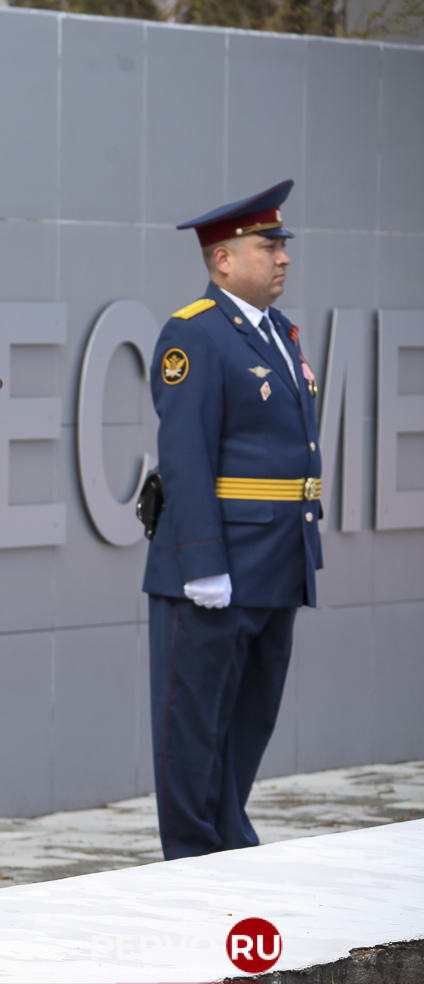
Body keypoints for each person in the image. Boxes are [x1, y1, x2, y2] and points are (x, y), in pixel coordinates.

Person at [143, 180, 320, 861]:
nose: (282, 257)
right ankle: (191, 849)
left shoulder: (278, 333)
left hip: (277, 558)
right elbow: (185, 455)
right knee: (194, 720)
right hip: (217, 564)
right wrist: (200, 559)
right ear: (223, 260)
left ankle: (227, 831)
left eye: (282, 245)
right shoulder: (195, 333)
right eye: (267, 245)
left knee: (251, 714)